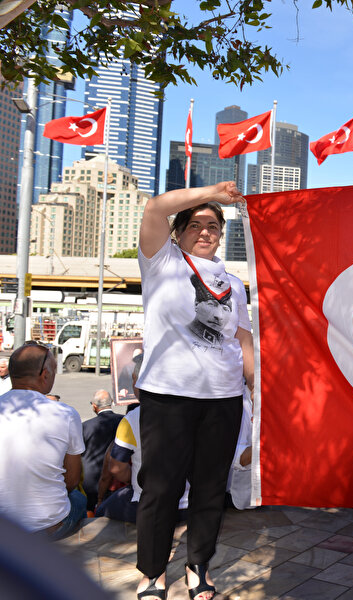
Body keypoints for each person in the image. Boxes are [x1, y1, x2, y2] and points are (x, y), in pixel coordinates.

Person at [132, 181, 252, 600]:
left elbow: (243, 342)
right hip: (168, 396)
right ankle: (152, 573)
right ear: (178, 232)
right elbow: (154, 208)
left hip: (223, 397)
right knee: (161, 487)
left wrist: (257, 390)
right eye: (196, 224)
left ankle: (197, 567)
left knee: (209, 488)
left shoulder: (234, 284)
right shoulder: (162, 262)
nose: (205, 231)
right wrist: (215, 192)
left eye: (214, 226)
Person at [0, 342, 86, 539]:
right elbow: (72, 480)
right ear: (45, 374)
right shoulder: (65, 414)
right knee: (78, 500)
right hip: (46, 527)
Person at [81, 389, 122, 510]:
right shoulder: (124, 422)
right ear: (112, 402)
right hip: (117, 480)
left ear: (94, 406)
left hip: (91, 481)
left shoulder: (85, 426)